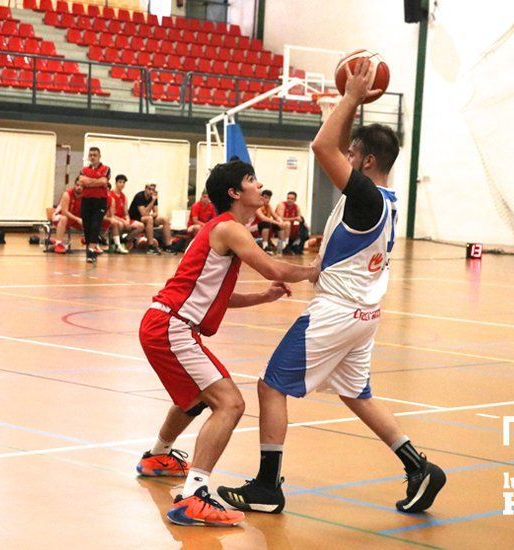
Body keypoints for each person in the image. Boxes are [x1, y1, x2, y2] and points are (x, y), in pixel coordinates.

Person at [218, 58, 446, 515]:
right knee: (355, 393)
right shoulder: (381, 200)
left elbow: (323, 145)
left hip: (337, 312)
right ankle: (419, 466)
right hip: (363, 315)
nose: (346, 157)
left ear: (367, 162)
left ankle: (267, 488)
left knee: (270, 386)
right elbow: (337, 145)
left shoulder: (364, 197)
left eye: (354, 154)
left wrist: (351, 97)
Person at [136, 159, 321, 527]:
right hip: (172, 326)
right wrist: (315, 269)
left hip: (164, 323)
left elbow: (216, 295)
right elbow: (274, 267)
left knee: (196, 400)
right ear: (235, 193)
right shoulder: (231, 228)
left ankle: (158, 457)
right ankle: (193, 495)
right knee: (230, 403)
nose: (260, 184)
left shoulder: (221, 230)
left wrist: (263, 298)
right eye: (252, 179)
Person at [78, 146, 111, 263]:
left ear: (99, 156)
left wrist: (89, 181)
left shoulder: (106, 169)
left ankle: (91, 250)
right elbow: (81, 181)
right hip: (86, 201)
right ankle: (90, 249)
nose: (92, 157)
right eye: (90, 155)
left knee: (95, 225)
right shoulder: (83, 169)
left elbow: (104, 181)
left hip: (100, 201)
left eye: (95, 155)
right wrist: (97, 181)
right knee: (86, 226)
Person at [128, 182, 171, 254]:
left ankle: (168, 246)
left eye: (153, 190)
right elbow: (143, 214)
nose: (151, 191)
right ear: (145, 189)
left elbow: (156, 212)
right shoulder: (139, 196)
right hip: (135, 218)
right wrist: (153, 201)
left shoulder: (153, 196)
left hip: (146, 217)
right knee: (149, 219)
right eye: (149, 189)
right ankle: (150, 247)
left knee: (165, 219)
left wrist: (150, 214)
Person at [51, 180, 83, 254]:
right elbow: (64, 212)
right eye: (77, 185)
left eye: (81, 186)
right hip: (59, 216)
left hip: (73, 218)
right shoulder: (67, 194)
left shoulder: (85, 196)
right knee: (64, 218)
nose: (79, 187)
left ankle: (91, 244)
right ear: (74, 185)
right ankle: (58, 244)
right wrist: (77, 219)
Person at [106, 175, 136, 254]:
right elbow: (110, 215)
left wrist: (128, 219)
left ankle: (123, 240)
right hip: (114, 218)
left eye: (123, 182)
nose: (122, 184)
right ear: (116, 183)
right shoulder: (110, 195)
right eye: (120, 182)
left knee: (140, 226)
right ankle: (116, 244)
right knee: (120, 224)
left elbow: (126, 212)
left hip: (122, 218)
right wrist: (123, 221)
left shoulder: (124, 196)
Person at [255, 190, 290, 254]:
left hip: (264, 226)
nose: (267, 200)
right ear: (261, 197)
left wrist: (281, 222)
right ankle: (265, 246)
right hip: (254, 226)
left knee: (279, 225)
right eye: (265, 197)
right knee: (266, 223)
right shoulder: (257, 206)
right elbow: (263, 218)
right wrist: (277, 222)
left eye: (269, 198)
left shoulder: (269, 206)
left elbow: (275, 216)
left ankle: (281, 247)